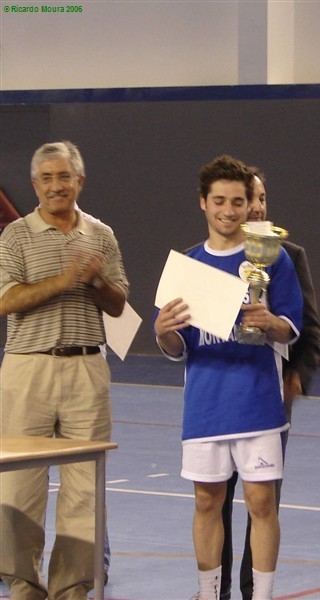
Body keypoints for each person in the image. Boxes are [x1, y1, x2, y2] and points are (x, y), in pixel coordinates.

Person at [154, 155, 303, 600]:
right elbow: (177, 347)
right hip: (205, 404)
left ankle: (262, 595)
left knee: (261, 504)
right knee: (206, 503)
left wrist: (269, 319)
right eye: (219, 200)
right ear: (203, 203)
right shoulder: (186, 265)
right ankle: (207, 591)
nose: (229, 210)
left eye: (237, 201)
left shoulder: (271, 259)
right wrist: (164, 333)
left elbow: (291, 327)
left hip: (257, 400)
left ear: (248, 204)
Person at [0, 141, 129, 599]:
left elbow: (117, 306)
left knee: (85, 489)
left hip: (86, 369)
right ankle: (23, 586)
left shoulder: (102, 235)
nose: (57, 186)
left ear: (80, 181)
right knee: (18, 488)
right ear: (35, 185)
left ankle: (72, 587)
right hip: (27, 369)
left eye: (65, 176)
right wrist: (64, 280)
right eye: (47, 178)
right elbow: (6, 300)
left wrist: (94, 279)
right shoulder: (14, 236)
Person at [219, 167, 320, 600]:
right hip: (219, 395)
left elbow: (310, 329)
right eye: (250, 198)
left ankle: (251, 589)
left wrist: (296, 376)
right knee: (214, 499)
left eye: (262, 197)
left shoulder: (288, 255)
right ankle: (214, 589)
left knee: (263, 503)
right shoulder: (211, 258)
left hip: (269, 397)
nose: (257, 205)